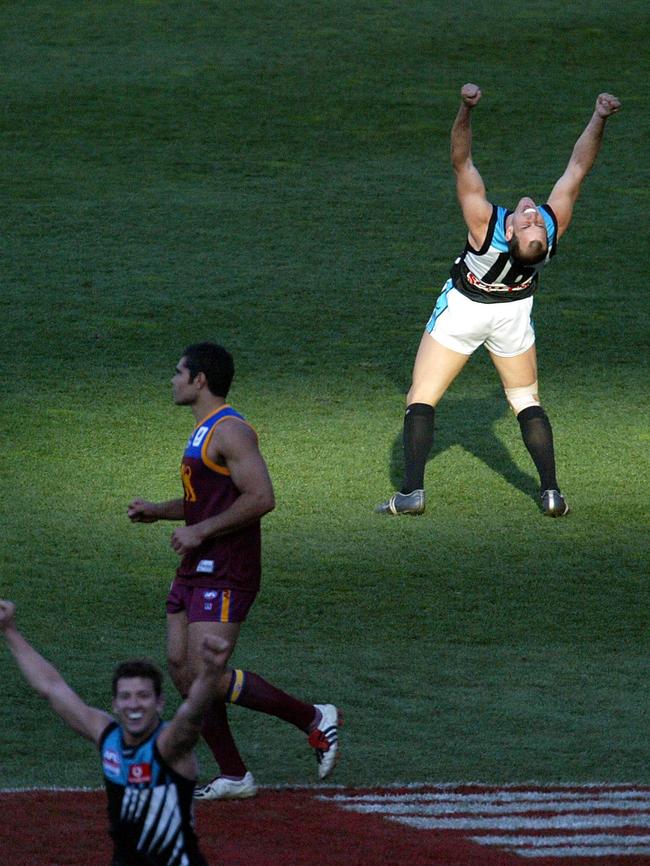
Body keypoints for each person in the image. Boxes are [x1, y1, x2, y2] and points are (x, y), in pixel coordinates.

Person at [377, 84, 621, 518]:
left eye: (527, 222)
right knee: (526, 401)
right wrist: (599, 117)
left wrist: (465, 110)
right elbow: (579, 167)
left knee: (421, 397)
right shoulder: (554, 225)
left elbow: (461, 161)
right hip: (514, 315)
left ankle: (411, 493)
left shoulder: (483, 224)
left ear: (509, 237)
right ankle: (551, 493)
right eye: (534, 222)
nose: (530, 215)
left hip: (464, 311)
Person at [128, 342, 341, 801]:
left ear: (199, 380)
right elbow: (204, 501)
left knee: (207, 671)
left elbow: (262, 497)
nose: (173, 380)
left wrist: (200, 531)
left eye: (178, 372)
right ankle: (234, 775)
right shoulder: (202, 432)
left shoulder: (231, 431)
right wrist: (158, 511)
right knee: (183, 671)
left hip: (227, 566)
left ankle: (313, 717)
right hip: (198, 562)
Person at [0, 598, 229, 866]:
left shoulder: (168, 747)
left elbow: (191, 715)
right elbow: (51, 687)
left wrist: (212, 674)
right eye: (126, 697)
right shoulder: (108, 738)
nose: (134, 705)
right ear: (115, 704)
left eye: (143, 696)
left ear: (160, 703)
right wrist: (10, 631)